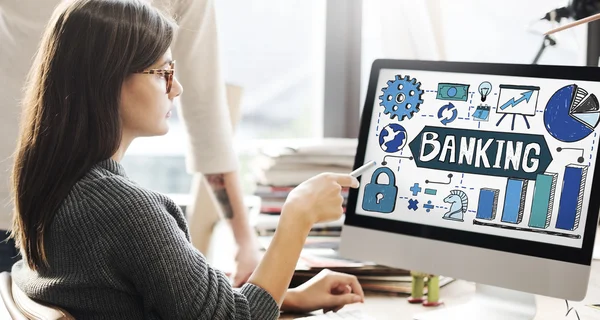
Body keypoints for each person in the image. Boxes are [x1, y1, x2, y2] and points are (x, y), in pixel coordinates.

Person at [9, 0, 365, 319]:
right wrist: (298, 214)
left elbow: (173, 300)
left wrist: (287, 297)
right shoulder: (123, 210)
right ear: (109, 80)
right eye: (162, 73)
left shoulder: (54, 186)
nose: (176, 88)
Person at [0, 0, 261, 285]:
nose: (175, 88)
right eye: (162, 73)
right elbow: (206, 114)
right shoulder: (132, 214)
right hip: (36, 213)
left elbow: (206, 116)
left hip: (35, 202)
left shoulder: (121, 207)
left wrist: (242, 240)